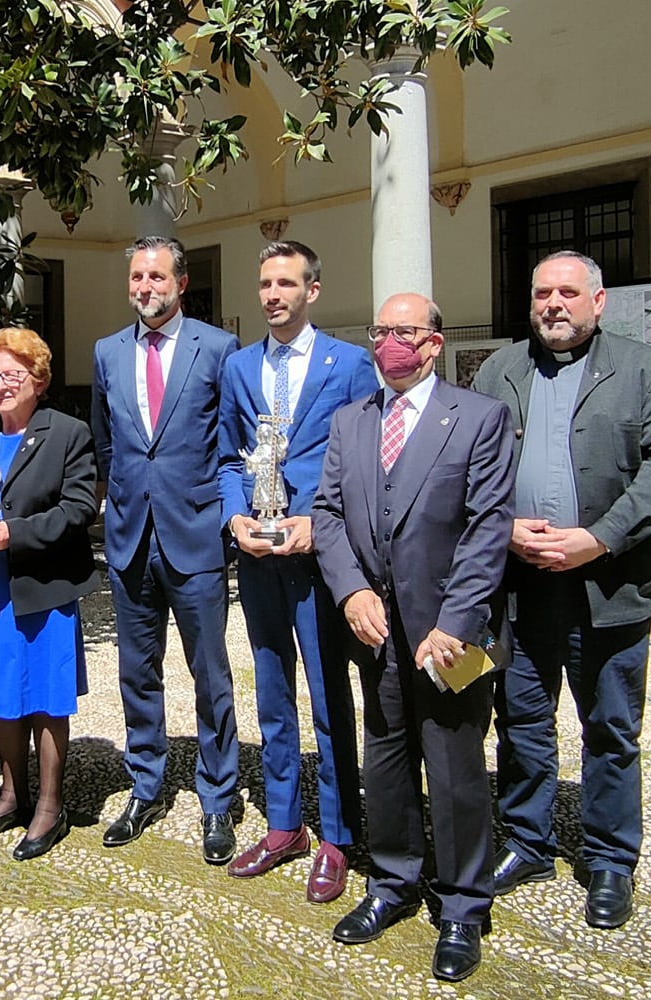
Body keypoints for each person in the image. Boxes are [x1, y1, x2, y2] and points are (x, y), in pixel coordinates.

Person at [472, 250, 651, 929]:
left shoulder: (643, 369)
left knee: (611, 727)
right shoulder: (499, 370)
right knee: (523, 721)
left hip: (609, 583)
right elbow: (468, 467)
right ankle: (528, 841)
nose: (553, 305)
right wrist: (504, 529)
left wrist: (597, 537)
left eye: (568, 293)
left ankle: (610, 860)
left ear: (599, 303)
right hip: (521, 584)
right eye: (542, 293)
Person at [312, 293, 513, 982]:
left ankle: (461, 905)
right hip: (375, 630)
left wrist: (455, 625)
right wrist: (352, 591)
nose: (386, 343)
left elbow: (489, 528)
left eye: (400, 332)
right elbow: (328, 514)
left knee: (455, 764)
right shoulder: (352, 421)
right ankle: (392, 883)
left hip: (451, 632)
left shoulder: (480, 417)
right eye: (378, 331)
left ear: (432, 343)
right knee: (387, 757)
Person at [218, 241, 377, 902]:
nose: (273, 294)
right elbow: (227, 456)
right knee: (272, 693)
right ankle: (285, 824)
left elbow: (369, 459)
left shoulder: (350, 364)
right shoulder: (239, 367)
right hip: (258, 555)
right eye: (265, 284)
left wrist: (322, 519)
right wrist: (234, 520)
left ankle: (340, 833)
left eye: (286, 283)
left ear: (313, 289)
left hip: (318, 554)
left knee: (327, 693)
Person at [90, 235, 240, 865]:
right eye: (136, 277)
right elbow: (107, 442)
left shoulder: (218, 347)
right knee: (136, 674)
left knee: (211, 675)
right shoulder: (106, 352)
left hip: (196, 534)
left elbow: (229, 439)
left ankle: (217, 797)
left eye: (156, 276)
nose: (145, 287)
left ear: (180, 283)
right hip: (129, 538)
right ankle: (144, 785)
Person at [0, 327, 99, 861]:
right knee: (3, 690)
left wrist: (20, 533)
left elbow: (79, 509)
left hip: (43, 586)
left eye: (13, 375)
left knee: (46, 696)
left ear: (38, 380)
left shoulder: (68, 432)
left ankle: (50, 805)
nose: (0, 384)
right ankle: (11, 794)